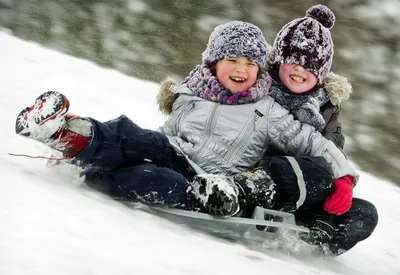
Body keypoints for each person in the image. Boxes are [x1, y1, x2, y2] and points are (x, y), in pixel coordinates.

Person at [16, 20, 360, 253]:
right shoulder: (193, 90)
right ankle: (66, 132)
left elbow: (315, 144)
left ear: (260, 70)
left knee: (158, 180)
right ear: (212, 63)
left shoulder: (268, 109)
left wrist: (344, 176)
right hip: (171, 148)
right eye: (231, 60)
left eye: (250, 64)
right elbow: (165, 134)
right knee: (132, 135)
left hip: (207, 179)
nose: (241, 70)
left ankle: (107, 173)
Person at [252, 4, 377, 256]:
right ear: (278, 60)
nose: (300, 70)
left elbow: (331, 154)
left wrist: (332, 205)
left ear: (320, 73)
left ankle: (310, 243)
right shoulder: (258, 87)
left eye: (310, 65)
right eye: (293, 61)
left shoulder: (326, 107)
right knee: (311, 169)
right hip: (257, 175)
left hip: (307, 186)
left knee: (364, 214)